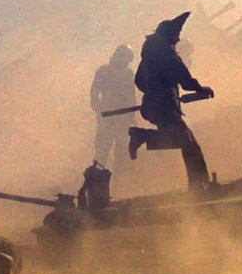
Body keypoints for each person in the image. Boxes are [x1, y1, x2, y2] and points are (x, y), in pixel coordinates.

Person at [129, 12, 215, 192]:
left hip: (154, 106)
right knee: (189, 143)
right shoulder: (166, 52)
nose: (178, 39)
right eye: (176, 34)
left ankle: (197, 184)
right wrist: (200, 88)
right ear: (169, 35)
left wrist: (154, 90)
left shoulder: (150, 54)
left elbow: (139, 81)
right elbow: (183, 77)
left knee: (184, 141)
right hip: (164, 107)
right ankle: (199, 185)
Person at [89, 44, 136, 173]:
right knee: (102, 153)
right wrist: (99, 109)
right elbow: (94, 92)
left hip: (123, 119)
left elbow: (131, 95)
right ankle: (95, 183)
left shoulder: (128, 73)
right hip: (108, 119)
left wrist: (131, 116)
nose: (125, 62)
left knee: (122, 154)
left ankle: (118, 184)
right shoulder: (103, 71)